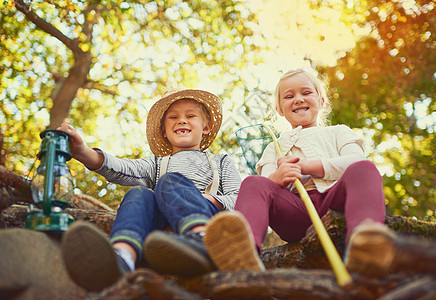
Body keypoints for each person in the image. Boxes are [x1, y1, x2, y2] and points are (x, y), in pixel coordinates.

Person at [203, 68, 391, 276]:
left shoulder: (338, 132)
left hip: (336, 201)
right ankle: (242, 252)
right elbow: (265, 185)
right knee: (253, 182)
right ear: (280, 109)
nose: (298, 99)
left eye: (306, 93)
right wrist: (278, 178)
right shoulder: (274, 147)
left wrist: (308, 166)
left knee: (364, 168)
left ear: (321, 100)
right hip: (296, 212)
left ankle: (365, 239)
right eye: (289, 96)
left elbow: (355, 160)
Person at [59, 89, 241, 292]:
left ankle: (201, 240)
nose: (181, 121)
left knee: (169, 182)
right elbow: (122, 168)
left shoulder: (221, 161)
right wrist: (83, 152)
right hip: (165, 224)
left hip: (208, 216)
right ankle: (122, 258)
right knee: (139, 194)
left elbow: (239, 199)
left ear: (206, 127)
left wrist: (208, 200)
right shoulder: (158, 164)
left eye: (190, 116)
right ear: (164, 130)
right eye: (173, 117)